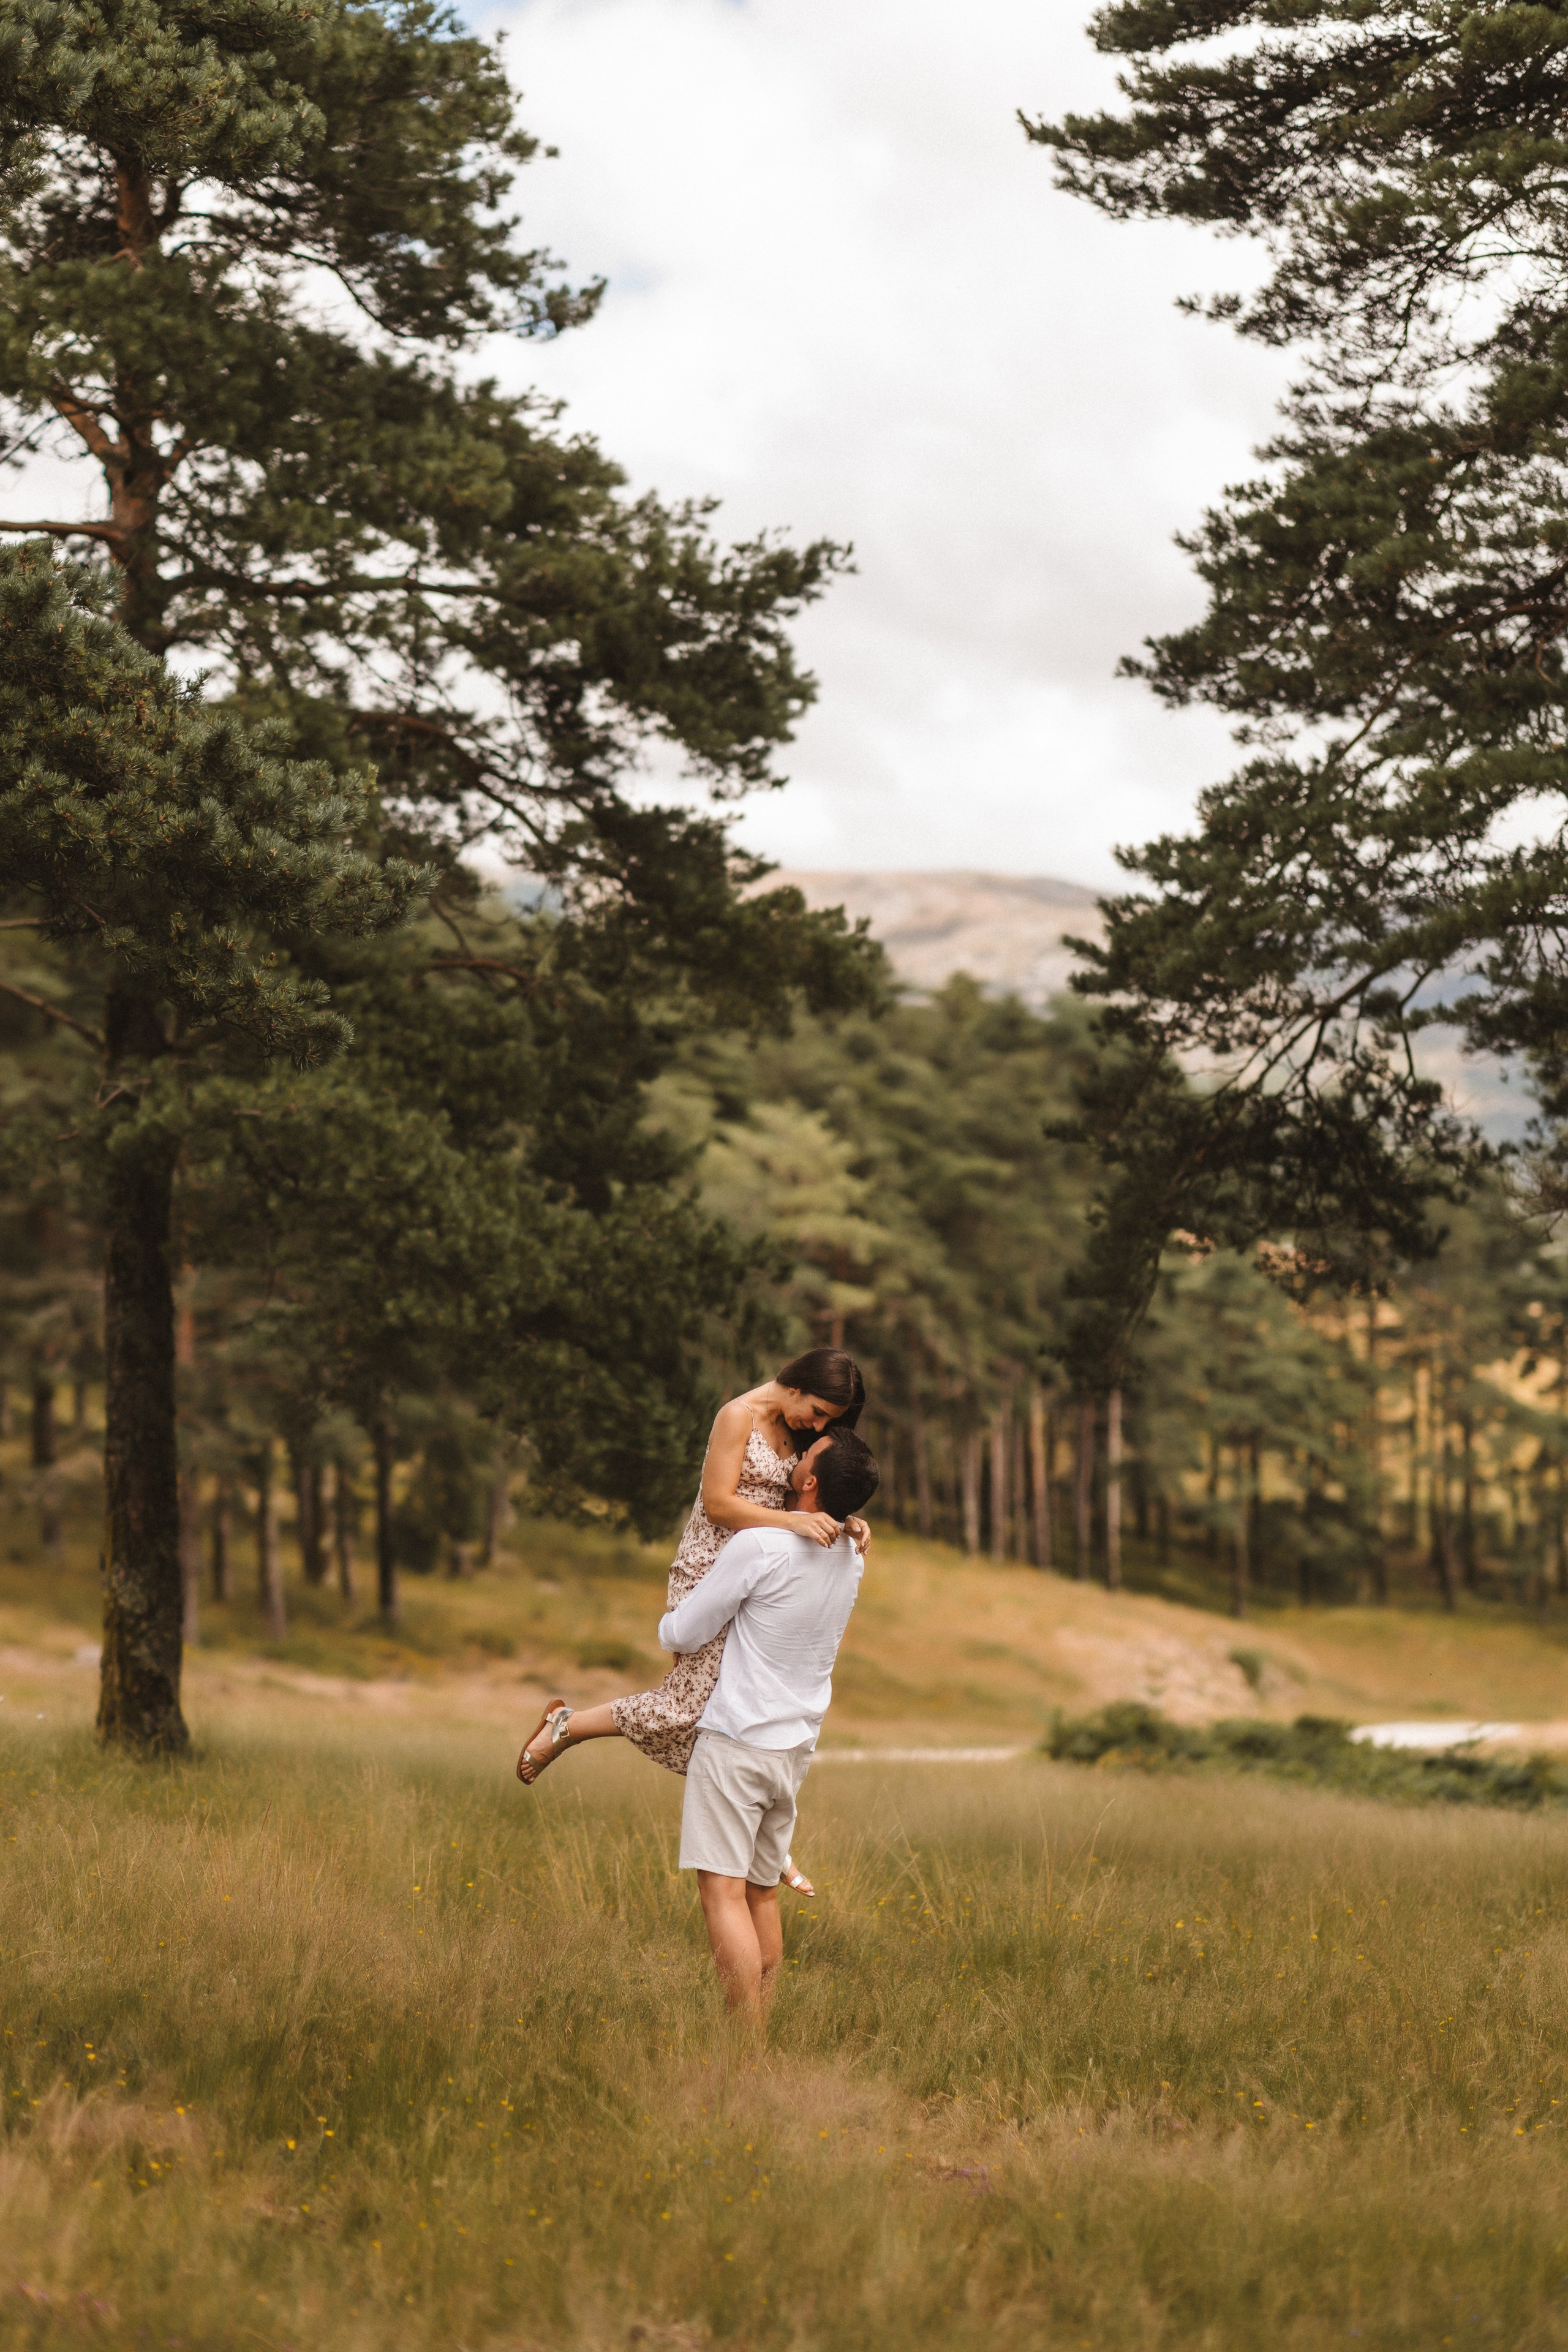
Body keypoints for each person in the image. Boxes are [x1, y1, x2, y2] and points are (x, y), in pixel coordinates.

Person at [514, 1352, 869, 1901]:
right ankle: (567, 1727)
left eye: (829, 1422)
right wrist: (794, 1521)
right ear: (797, 1387)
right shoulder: (738, 1416)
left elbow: (811, 1489)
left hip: (761, 1575)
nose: (819, 1427)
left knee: (724, 1717)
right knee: (693, 1711)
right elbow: (719, 1504)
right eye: (819, 1412)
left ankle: (757, 1838)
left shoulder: (803, 1433)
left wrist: (844, 1520)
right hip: (711, 1570)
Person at [662, 1421, 879, 2015]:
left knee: (722, 1896)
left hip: (737, 1742)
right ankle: (760, 2033)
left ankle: (744, 2047)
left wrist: (667, 1624)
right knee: (761, 1895)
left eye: (804, 1451)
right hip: (793, 1749)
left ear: (807, 1480)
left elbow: (685, 1629)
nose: (795, 1452)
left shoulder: (760, 1546)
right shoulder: (850, 1556)